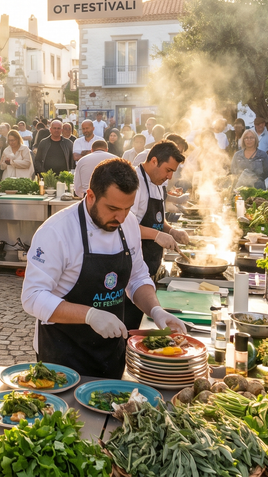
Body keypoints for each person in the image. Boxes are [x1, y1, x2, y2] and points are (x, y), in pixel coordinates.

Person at [21, 158, 187, 378]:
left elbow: (137, 277)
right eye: (112, 208)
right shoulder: (56, 232)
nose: (121, 217)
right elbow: (32, 297)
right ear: (90, 196)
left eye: (127, 208)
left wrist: (155, 310)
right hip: (62, 357)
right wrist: (90, 315)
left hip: (110, 354)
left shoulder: (127, 225)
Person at [131, 141, 189, 282]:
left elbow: (156, 219)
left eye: (172, 172)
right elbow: (125, 226)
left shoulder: (157, 183)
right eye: (168, 170)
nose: (169, 177)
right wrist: (157, 235)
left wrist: (171, 231)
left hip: (152, 264)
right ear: (154, 161)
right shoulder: (134, 182)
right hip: (134, 268)